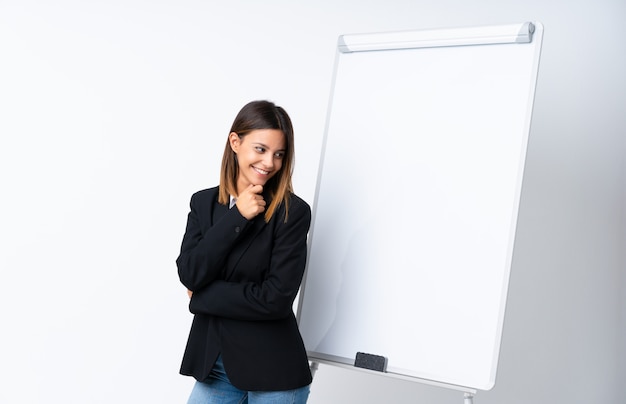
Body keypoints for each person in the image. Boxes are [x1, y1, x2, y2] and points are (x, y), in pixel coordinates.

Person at [176, 100, 313, 404]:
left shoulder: (292, 212)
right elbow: (190, 272)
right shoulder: (203, 203)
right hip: (215, 369)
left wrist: (202, 296)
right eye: (261, 149)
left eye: (279, 154)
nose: (269, 163)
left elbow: (275, 299)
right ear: (235, 142)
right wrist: (237, 216)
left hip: (275, 373)